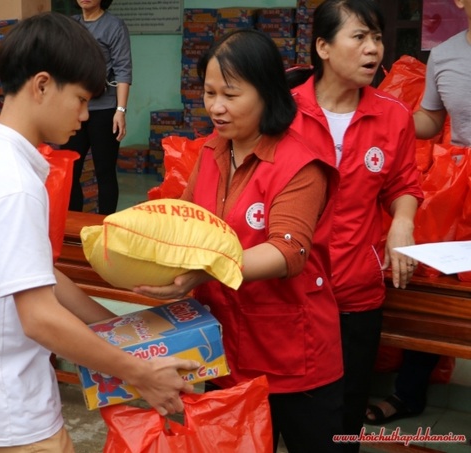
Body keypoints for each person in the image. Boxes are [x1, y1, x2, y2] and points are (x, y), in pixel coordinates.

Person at [0, 12, 198, 451]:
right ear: (41, 85)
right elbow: (39, 317)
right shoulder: (12, 185)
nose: (84, 114)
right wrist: (138, 373)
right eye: (80, 98)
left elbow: (41, 277)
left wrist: (119, 328)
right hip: (15, 417)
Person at [134, 28, 344, 453]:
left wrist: (201, 272)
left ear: (267, 92)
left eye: (230, 94)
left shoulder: (299, 163)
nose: (215, 106)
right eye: (209, 92)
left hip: (292, 354)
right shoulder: (214, 148)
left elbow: (287, 252)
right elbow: (186, 220)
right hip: (225, 344)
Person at [286, 0, 424, 450]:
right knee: (286, 405)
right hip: (288, 284)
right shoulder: (284, 112)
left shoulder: (393, 114)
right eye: (359, 37)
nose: (373, 49)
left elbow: (404, 182)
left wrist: (402, 221)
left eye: (377, 38)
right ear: (323, 47)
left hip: (355, 290)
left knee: (345, 416)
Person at [366, 0, 471, 425]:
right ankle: (409, 392)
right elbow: (430, 119)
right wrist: (384, 117)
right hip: (460, 186)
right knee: (435, 282)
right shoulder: (445, 54)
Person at [63, 0, 132, 214]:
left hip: (105, 110)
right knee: (69, 169)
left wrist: (120, 111)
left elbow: (123, 70)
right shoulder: (71, 25)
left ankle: (105, 226)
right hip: (75, 109)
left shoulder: (114, 26)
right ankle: (73, 224)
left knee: (104, 171)